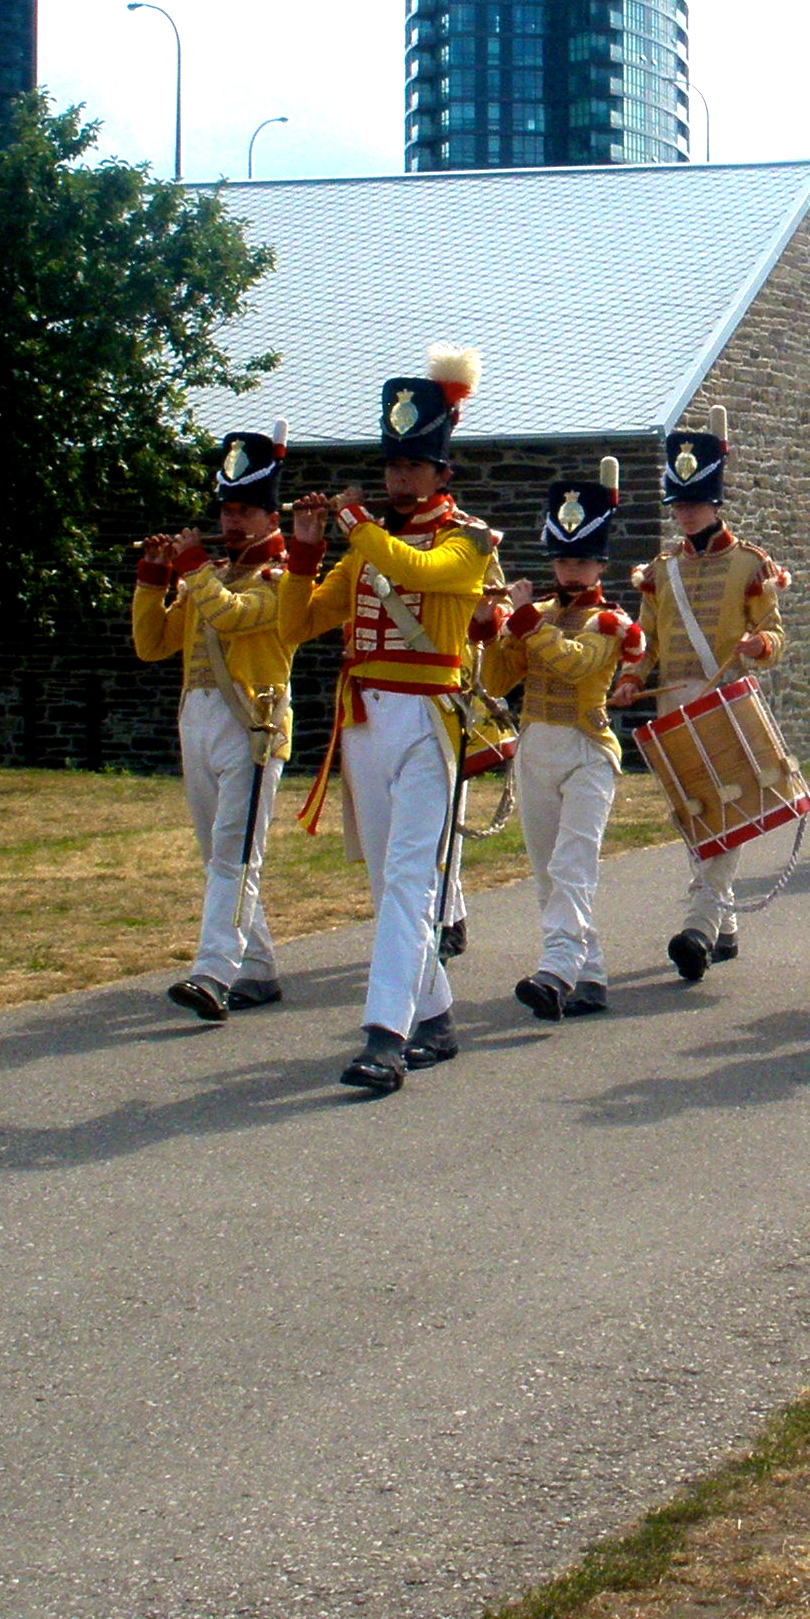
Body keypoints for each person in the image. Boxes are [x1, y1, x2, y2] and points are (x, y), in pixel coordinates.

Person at [280, 348, 505, 1094]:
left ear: (442, 472)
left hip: (427, 719)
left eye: (414, 465)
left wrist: (352, 524)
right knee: (388, 884)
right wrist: (304, 552)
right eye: (393, 465)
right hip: (366, 721)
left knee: (411, 880)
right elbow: (298, 625)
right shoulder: (365, 544)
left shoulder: (469, 537)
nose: (400, 478)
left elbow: (423, 574)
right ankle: (435, 1017)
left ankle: (384, 1037)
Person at [133, 429, 308, 1019]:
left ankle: (212, 972)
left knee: (235, 854)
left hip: (252, 725)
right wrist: (153, 577)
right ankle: (257, 968)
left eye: (245, 512)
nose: (232, 523)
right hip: (198, 720)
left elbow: (232, 618)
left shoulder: (282, 580)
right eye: (227, 511)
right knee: (219, 855)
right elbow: (152, 644)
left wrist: (192, 569)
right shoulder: (207, 576)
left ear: (271, 517)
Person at [484, 463, 648, 1022]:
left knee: (572, 866)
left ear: (600, 564)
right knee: (546, 872)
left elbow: (575, 665)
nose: (570, 570)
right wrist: (489, 626)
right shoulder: (536, 615)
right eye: (562, 560)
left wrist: (526, 623)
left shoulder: (611, 622)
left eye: (581, 561)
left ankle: (554, 970)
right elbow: (495, 681)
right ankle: (591, 974)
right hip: (535, 746)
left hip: (587, 750)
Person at [628, 423, 788, 983]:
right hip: (672, 704)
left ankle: (698, 925)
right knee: (695, 813)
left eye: (695, 503)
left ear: (715, 503)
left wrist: (759, 645)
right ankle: (725, 926)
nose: (686, 514)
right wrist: (631, 678)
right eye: (679, 505)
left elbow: (774, 634)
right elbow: (646, 639)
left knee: (728, 809)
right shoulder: (660, 570)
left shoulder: (749, 564)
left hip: (726, 701)